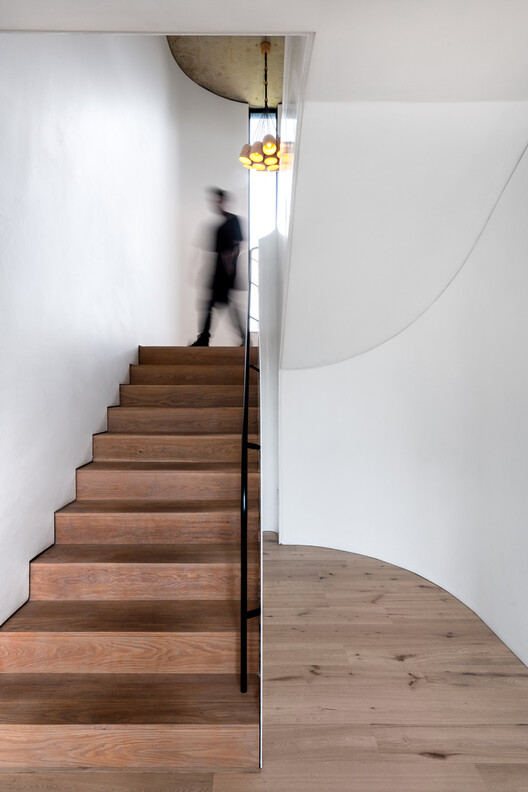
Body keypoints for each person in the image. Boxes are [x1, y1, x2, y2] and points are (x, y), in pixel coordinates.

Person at [191, 188, 245, 346]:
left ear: (224, 201)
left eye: (218, 200)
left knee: (215, 304)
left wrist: (229, 266)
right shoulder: (218, 226)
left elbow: (236, 246)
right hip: (218, 271)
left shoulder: (232, 221)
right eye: (213, 200)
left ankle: (204, 338)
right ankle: (206, 338)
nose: (215, 203)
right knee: (217, 304)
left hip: (225, 272)